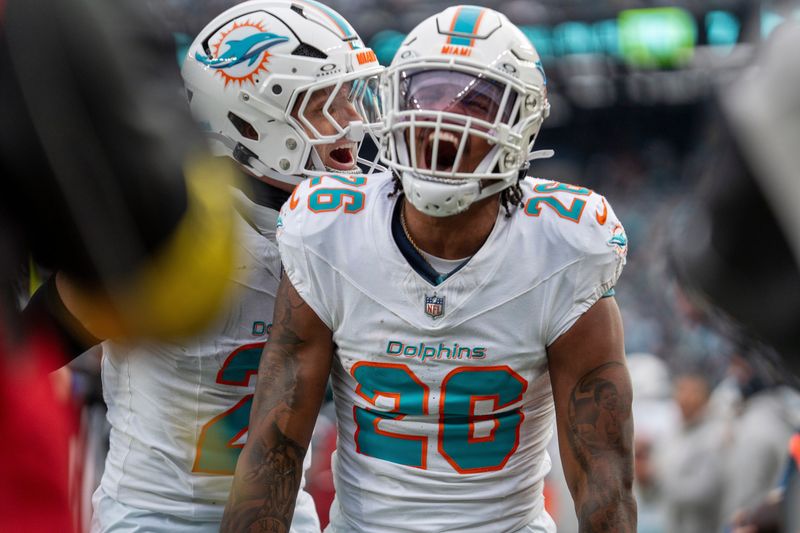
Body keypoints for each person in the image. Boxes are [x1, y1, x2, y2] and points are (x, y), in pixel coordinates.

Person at [223, 6, 636, 532]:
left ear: (521, 125)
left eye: (477, 104)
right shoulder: (329, 229)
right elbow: (273, 454)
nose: (443, 120)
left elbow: (604, 479)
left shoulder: (566, 246)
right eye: (426, 95)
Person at [22, 1, 386, 531]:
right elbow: (32, 346)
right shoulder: (177, 228)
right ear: (252, 116)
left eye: (350, 98)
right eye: (325, 103)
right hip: (155, 517)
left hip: (281, 511)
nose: (353, 125)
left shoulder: (349, 228)